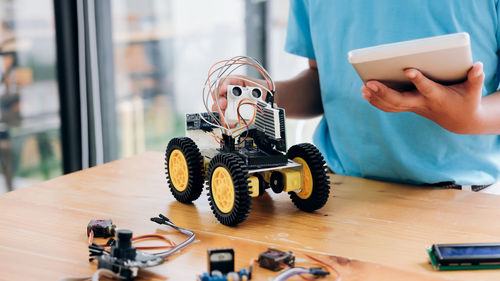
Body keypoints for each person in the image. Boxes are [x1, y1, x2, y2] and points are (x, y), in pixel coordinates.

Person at [216, 1, 500, 191]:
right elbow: (323, 83)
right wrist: (265, 96)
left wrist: (471, 118)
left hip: (462, 198)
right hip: (342, 192)